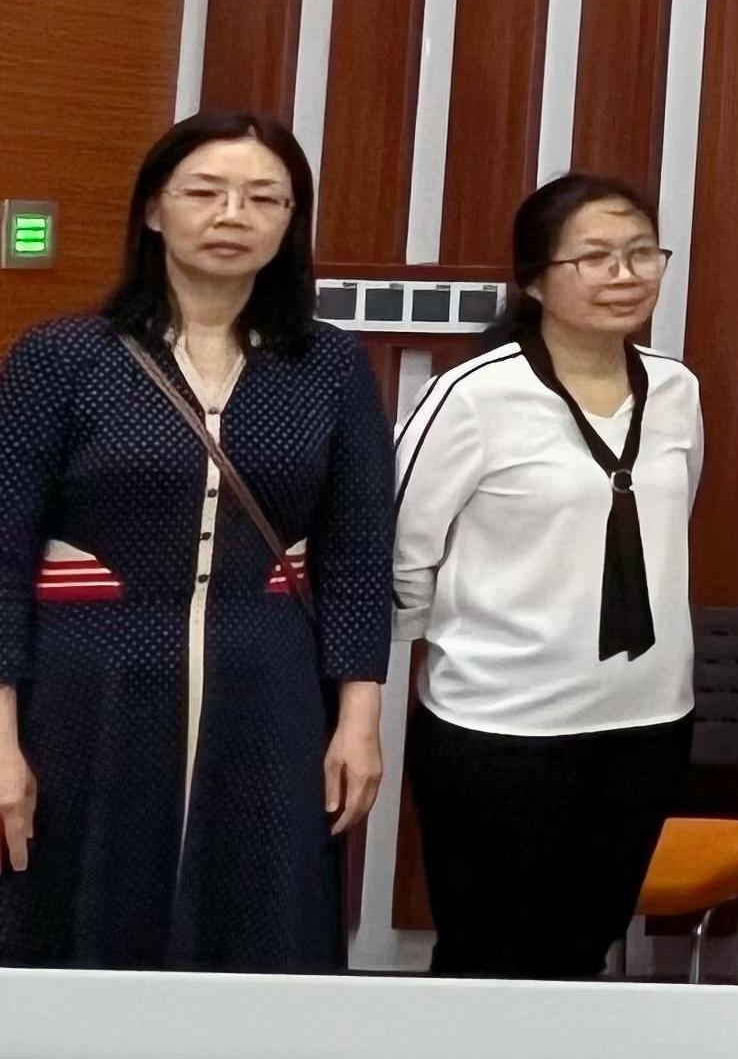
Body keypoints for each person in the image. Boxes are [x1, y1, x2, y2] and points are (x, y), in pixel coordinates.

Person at [0, 110, 393, 970]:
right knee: (79, 909)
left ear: (291, 221)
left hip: (271, 686)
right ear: (153, 210)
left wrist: (359, 718)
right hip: (87, 684)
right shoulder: (62, 357)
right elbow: (4, 547)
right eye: (205, 192)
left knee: (261, 917)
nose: (232, 215)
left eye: (263, 198)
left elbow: (360, 552)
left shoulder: (330, 364)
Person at [390, 173, 698, 979]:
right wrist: (460, 642)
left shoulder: (676, 388)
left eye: (642, 253)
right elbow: (401, 545)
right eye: (595, 257)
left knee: (583, 955)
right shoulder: (473, 394)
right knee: (488, 960)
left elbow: (666, 527)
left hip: (645, 722)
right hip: (500, 728)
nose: (624, 274)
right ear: (533, 278)